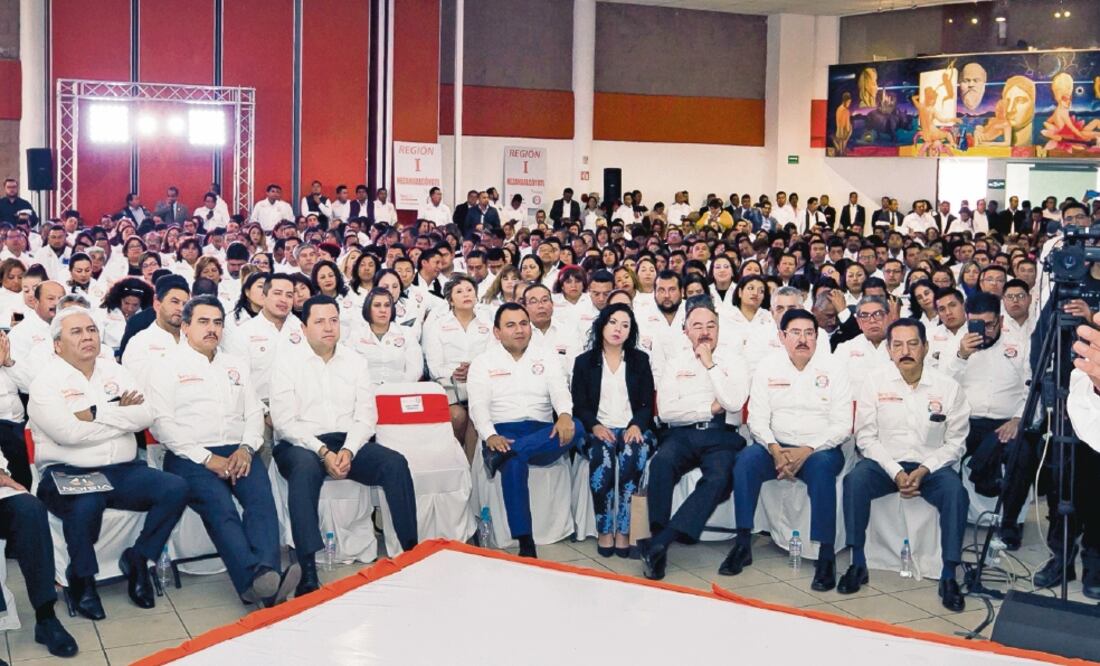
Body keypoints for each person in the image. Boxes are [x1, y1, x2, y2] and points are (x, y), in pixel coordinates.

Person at [30, 306, 188, 619]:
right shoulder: (46, 382)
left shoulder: (114, 371)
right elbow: (67, 434)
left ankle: (139, 558)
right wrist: (120, 415)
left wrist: (95, 413)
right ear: (57, 345)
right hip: (67, 473)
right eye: (76, 332)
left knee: (175, 488)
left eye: (91, 330)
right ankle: (82, 578)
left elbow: (144, 415)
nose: (87, 337)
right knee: (87, 502)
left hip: (123, 470)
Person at [147, 295, 300, 607]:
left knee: (260, 500)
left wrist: (246, 448)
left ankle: (264, 576)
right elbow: (162, 425)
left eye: (217, 322)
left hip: (238, 451)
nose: (212, 329)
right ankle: (257, 581)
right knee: (221, 508)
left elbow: (253, 412)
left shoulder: (235, 365)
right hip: (189, 456)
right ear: (185, 327)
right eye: (203, 322)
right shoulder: (165, 366)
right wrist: (207, 458)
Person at [271, 295, 418, 595]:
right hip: (300, 444)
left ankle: (412, 552)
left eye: (333, 320)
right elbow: (285, 422)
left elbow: (366, 416)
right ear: (304, 327)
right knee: (304, 469)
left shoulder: (355, 361)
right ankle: (307, 568)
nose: (328, 327)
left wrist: (348, 450)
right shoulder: (286, 363)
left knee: (395, 463)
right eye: (319, 321)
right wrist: (323, 452)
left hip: (346, 440)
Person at [839, 318, 970, 612]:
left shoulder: (948, 388)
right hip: (885, 464)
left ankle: (949, 574)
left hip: (932, 466)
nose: (905, 351)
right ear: (888, 349)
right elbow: (866, 437)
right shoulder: (874, 382)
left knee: (955, 493)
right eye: (897, 345)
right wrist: (895, 471)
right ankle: (857, 562)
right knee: (854, 482)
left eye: (912, 344)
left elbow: (956, 443)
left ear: (925, 347)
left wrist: (925, 469)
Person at [723, 309, 851, 590]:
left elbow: (843, 424)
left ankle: (826, 555)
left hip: (820, 449)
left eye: (809, 333)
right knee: (745, 462)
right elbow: (757, 418)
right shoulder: (768, 367)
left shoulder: (835, 368)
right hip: (775, 445)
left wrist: (808, 449)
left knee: (822, 471)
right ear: (782, 337)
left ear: (817, 337)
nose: (803, 339)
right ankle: (742, 543)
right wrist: (774, 448)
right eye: (795, 333)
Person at [638, 298, 749, 580]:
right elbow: (666, 410)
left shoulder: (734, 360)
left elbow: (733, 402)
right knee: (661, 464)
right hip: (682, 434)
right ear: (686, 331)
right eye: (697, 326)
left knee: (719, 477)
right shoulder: (676, 362)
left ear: (719, 329)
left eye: (711, 325)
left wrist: (710, 365)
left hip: (722, 435)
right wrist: (707, 408)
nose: (705, 332)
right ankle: (658, 537)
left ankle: (661, 543)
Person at [466, 303, 584, 558]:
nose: (519, 330)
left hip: (542, 433)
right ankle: (525, 541)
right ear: (497, 332)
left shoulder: (547, 356)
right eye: (510, 325)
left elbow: (560, 390)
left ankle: (505, 454)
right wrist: (490, 435)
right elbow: (477, 406)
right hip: (503, 430)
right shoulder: (483, 363)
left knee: (578, 426)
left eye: (523, 323)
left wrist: (564, 414)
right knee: (514, 462)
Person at [571, 303, 656, 558]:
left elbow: (647, 403)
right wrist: (595, 425)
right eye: (613, 322)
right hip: (597, 428)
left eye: (625, 325)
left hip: (633, 428)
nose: (618, 329)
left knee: (633, 454)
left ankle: (624, 530)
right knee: (602, 456)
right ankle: (604, 529)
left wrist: (636, 425)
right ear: (602, 325)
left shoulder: (640, 360)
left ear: (631, 331)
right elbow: (579, 405)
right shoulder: (584, 362)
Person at [423, 276, 492, 461]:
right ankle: (451, 460)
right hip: (448, 385)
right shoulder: (438, 326)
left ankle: (470, 468)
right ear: (450, 300)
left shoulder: (488, 324)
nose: (466, 295)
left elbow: (493, 358)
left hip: (481, 384)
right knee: (457, 416)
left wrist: (474, 371)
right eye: (459, 292)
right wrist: (457, 373)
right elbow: (434, 367)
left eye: (469, 290)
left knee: (476, 416)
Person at [223, 274, 304, 409]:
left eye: (289, 295)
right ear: (264, 296)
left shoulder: (302, 330)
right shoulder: (244, 333)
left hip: (299, 405)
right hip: (258, 406)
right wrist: (263, 412)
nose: (283, 299)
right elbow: (238, 381)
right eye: (277, 293)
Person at [121, 275, 189, 387]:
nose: (181, 308)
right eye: (174, 302)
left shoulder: (193, 339)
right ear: (157, 305)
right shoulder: (139, 343)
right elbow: (135, 388)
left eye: (185, 304)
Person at [346, 288, 423, 385]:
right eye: (377, 305)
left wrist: (399, 389)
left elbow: (415, 369)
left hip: (399, 389)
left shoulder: (407, 333)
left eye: (387, 305)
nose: (383, 310)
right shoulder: (356, 336)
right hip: (365, 391)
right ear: (368, 308)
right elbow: (349, 370)